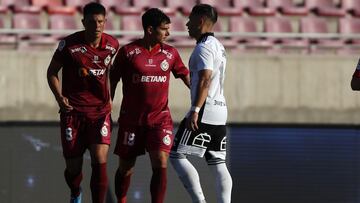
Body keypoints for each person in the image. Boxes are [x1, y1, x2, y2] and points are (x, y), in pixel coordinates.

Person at [110, 8, 190, 203]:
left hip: (160, 119)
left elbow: (187, 77)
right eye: (164, 29)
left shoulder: (170, 53)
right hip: (132, 120)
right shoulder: (128, 52)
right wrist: (108, 104)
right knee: (126, 167)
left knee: (161, 162)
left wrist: (202, 99)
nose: (168, 33)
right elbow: (112, 79)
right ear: (150, 30)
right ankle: (121, 199)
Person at [46, 2, 119, 203]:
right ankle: (76, 191)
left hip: (100, 112)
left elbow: (111, 73)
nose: (97, 26)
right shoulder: (68, 45)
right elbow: (52, 72)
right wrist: (59, 97)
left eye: (100, 22)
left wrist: (110, 96)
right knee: (73, 169)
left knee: (99, 159)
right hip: (73, 112)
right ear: (83, 22)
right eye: (92, 22)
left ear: (105, 22)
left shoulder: (113, 45)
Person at [170, 4, 233, 203]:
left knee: (176, 155)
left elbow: (206, 79)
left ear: (200, 21)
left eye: (190, 20)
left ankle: (200, 201)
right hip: (220, 110)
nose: (187, 24)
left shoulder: (205, 47)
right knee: (218, 161)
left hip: (205, 109)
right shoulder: (218, 46)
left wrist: (195, 110)